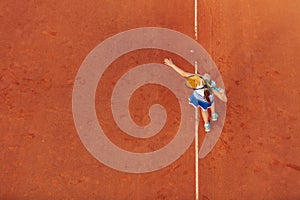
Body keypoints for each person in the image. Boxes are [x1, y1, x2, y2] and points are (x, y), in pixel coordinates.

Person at [164, 58, 227, 132]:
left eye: (204, 76)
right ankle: (213, 115)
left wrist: (172, 65)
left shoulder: (197, 80)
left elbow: (184, 74)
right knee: (212, 102)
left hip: (201, 99)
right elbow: (223, 98)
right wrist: (221, 92)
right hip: (209, 98)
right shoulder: (212, 85)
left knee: (204, 110)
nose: (205, 75)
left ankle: (207, 125)